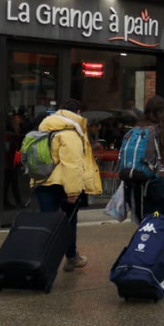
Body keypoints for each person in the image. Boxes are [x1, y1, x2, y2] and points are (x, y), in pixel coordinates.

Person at [28, 98, 103, 272]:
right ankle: (71, 257)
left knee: (47, 224)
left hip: (42, 182)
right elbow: (72, 164)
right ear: (77, 113)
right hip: (62, 185)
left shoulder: (44, 128)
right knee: (68, 223)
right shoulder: (70, 133)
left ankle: (41, 260)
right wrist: (73, 192)